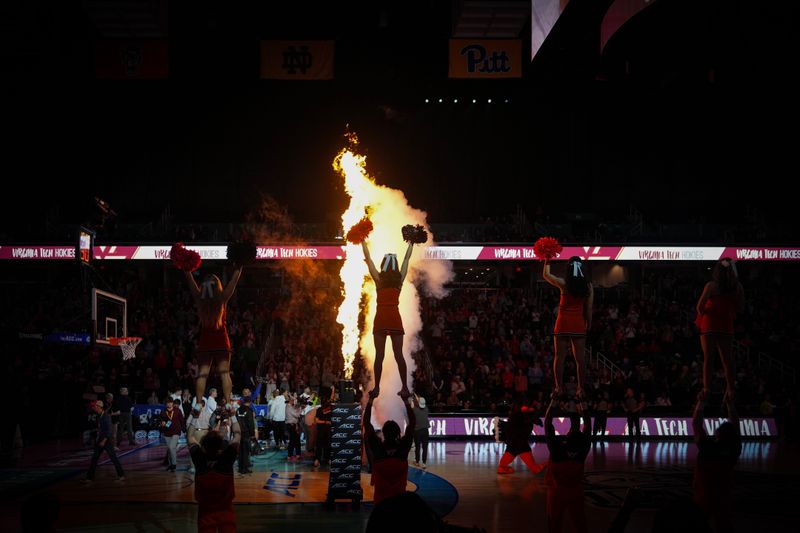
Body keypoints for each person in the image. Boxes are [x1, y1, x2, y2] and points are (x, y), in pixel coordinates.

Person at [184, 266, 243, 411]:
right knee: (225, 373)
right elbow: (233, 281)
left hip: (205, 341)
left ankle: (198, 403)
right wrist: (240, 265)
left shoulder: (199, 298)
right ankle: (228, 402)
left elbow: (189, 278)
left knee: (202, 374)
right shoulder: (222, 298)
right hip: (221, 340)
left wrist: (185, 266)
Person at [362, 239, 414, 399]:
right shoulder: (399, 281)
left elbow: (368, 259)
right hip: (394, 319)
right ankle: (405, 387)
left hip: (381, 319)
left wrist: (362, 240)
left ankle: (377, 387)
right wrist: (411, 243)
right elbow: (406, 260)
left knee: (380, 355)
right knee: (399, 355)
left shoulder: (379, 281)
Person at [542, 256, 593, 399]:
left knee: (559, 357)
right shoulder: (588, 286)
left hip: (563, 323)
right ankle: (580, 388)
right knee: (580, 359)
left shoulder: (564, 283)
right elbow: (589, 309)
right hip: (578, 323)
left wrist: (548, 259)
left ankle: (558, 387)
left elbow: (546, 275)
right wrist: (588, 323)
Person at [695, 258, 744, 402]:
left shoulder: (711, 285)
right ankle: (730, 389)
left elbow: (699, 307)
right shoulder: (737, 286)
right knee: (727, 360)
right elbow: (741, 308)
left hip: (710, 323)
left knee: (708, 359)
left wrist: (710, 311)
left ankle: (706, 389)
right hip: (725, 323)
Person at [692, 391, 741, 532]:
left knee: (698, 524)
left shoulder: (708, 447)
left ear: (717, 434)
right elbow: (736, 426)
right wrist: (730, 405)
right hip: (723, 496)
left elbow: (696, 423)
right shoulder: (733, 449)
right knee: (724, 525)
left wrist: (701, 402)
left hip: (704, 495)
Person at [188, 411, 241, 533]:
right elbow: (237, 434)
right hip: (226, 510)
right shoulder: (226, 459)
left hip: (205, 512)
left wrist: (195, 416)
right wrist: (233, 415)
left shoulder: (199, 460)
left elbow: (190, 437)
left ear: (204, 447)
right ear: (220, 447)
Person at [544, 397, 591, 533]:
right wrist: (583, 401)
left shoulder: (556, 451)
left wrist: (553, 401)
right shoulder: (582, 452)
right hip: (575, 492)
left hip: (556, 493)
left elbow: (547, 423)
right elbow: (588, 425)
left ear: (567, 438)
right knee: (580, 524)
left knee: (554, 523)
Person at [363, 394, 415, 505]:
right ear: (398, 434)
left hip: (381, 503)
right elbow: (413, 424)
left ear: (383, 433)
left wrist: (371, 399)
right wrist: (406, 401)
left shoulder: (379, 450)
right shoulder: (402, 451)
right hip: (399, 502)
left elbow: (366, 423)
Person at [496, 398, 545, 475]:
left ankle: (502, 467)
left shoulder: (518, 412)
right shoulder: (520, 412)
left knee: (513, 450)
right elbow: (527, 415)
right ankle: (535, 468)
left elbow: (528, 415)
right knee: (521, 449)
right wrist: (536, 419)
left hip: (515, 437)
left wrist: (534, 416)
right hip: (517, 437)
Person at [82, 400, 126, 483]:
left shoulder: (106, 416)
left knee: (113, 458)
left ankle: (121, 475)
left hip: (106, 440)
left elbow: (109, 430)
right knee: (94, 459)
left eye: (94, 406)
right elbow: (101, 428)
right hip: (100, 439)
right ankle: (89, 478)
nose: (93, 408)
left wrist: (103, 441)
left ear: (98, 407)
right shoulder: (99, 416)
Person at [161, 398, 185, 472]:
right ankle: (170, 465)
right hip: (167, 432)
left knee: (172, 447)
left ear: (172, 403)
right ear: (166, 404)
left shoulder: (177, 410)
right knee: (169, 449)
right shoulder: (163, 411)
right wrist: (162, 423)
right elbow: (162, 420)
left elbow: (182, 420)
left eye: (170, 402)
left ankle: (174, 464)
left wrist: (184, 430)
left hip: (176, 432)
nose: (169, 404)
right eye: (167, 403)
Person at [236, 396, 256, 474]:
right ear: (250, 402)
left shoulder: (238, 410)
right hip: (246, 433)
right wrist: (252, 434)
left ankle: (240, 466)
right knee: (245, 451)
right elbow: (251, 423)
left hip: (238, 432)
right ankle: (244, 468)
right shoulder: (249, 410)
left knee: (240, 451)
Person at [410, 394, 430, 468]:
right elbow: (420, 402)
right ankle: (424, 463)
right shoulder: (426, 409)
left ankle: (417, 462)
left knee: (417, 447)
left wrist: (413, 399)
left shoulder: (415, 410)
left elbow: (412, 404)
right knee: (425, 448)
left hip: (417, 431)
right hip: (425, 431)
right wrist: (417, 398)